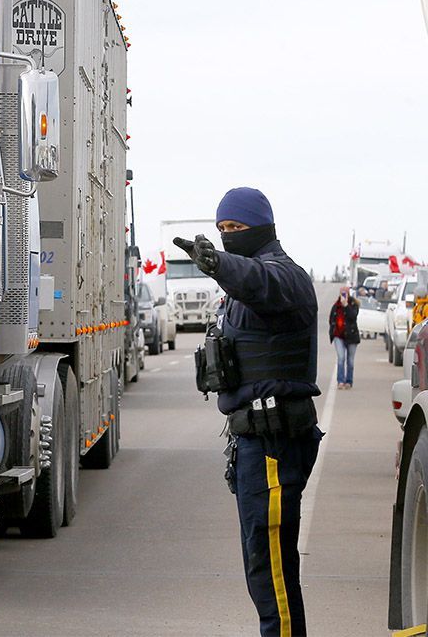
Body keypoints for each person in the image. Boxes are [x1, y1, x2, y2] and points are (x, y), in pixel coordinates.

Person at [175, 186, 323, 637]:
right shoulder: (241, 291)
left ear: (262, 227)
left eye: (236, 228)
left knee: (272, 569)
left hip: (276, 442)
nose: (227, 235)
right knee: (263, 566)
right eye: (221, 230)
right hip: (254, 443)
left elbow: (261, 281)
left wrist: (220, 264)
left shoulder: (284, 277)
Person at [328, 287, 360, 389]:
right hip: (339, 336)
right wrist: (333, 331)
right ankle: (340, 381)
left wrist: (346, 305)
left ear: (349, 294)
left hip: (351, 337)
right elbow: (331, 318)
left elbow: (353, 316)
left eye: (345, 293)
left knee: (350, 361)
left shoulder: (353, 304)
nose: (343, 295)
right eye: (342, 293)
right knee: (341, 358)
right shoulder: (336, 305)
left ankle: (349, 381)